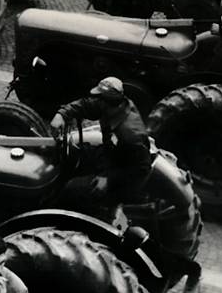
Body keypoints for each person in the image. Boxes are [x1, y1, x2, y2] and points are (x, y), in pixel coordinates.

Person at [51, 76, 156, 208]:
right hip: (110, 156)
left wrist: (108, 178)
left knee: (71, 190)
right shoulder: (114, 106)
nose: (95, 101)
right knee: (74, 155)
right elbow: (86, 104)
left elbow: (141, 168)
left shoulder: (130, 134)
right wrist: (62, 114)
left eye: (98, 98)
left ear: (105, 102)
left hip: (122, 177)